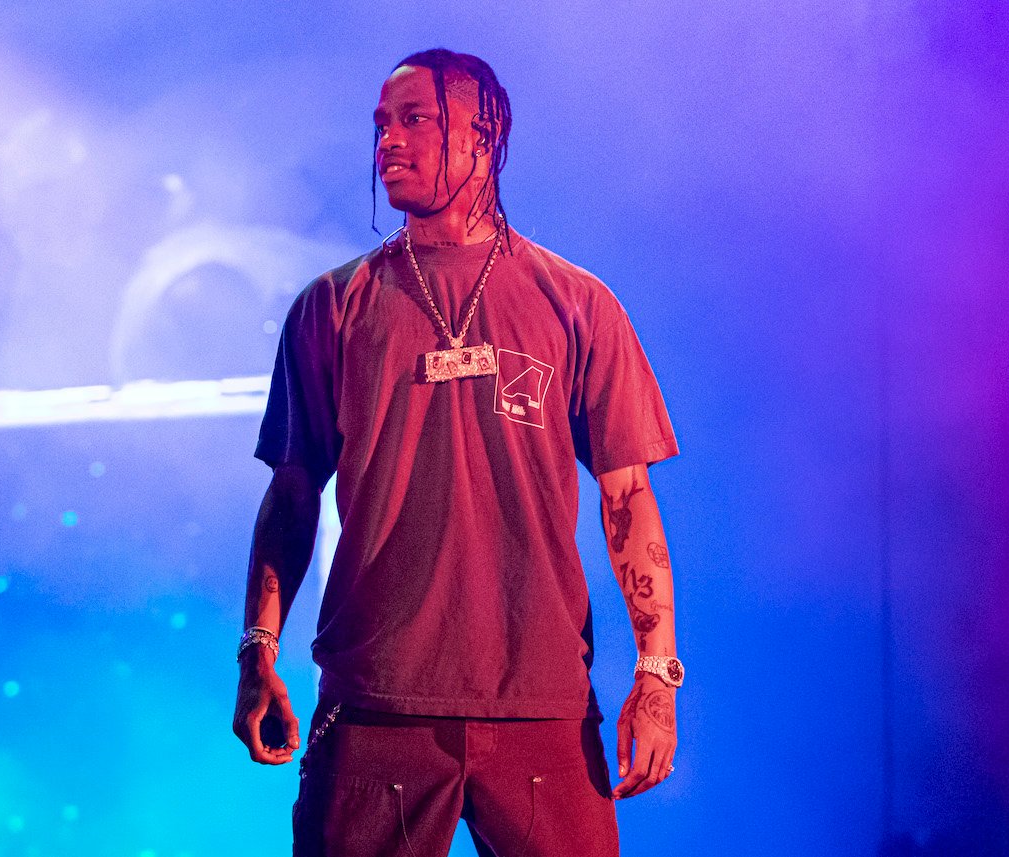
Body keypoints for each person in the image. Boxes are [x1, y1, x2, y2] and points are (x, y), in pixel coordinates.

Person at [232, 48, 683, 857]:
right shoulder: (332, 308)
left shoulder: (576, 303)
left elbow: (626, 497)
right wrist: (257, 648)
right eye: (380, 126)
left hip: (541, 706)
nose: (388, 144)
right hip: (376, 707)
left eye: (415, 120)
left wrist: (656, 676)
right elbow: (292, 496)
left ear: (485, 134)